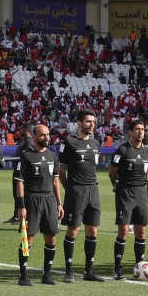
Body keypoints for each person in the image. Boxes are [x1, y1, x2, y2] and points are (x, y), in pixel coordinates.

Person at [15, 123, 63, 286]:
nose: (46, 138)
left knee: (51, 237)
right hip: (32, 199)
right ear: (34, 137)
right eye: (42, 135)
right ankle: (23, 276)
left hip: (49, 200)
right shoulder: (26, 156)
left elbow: (56, 181)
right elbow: (20, 183)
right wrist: (21, 206)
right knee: (29, 237)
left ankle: (46, 275)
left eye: (48, 135)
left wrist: (59, 203)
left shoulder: (52, 155)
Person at [59, 110, 104, 282]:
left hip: (93, 190)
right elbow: (61, 170)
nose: (92, 124)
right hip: (76, 191)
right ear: (79, 123)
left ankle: (89, 271)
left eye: (93, 121)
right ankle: (69, 272)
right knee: (73, 230)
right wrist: (69, 188)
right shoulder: (69, 142)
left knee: (92, 230)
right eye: (88, 121)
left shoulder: (95, 143)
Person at [109, 120, 148, 280]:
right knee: (124, 231)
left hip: (141, 193)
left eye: (142, 129)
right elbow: (112, 173)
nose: (141, 132)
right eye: (137, 129)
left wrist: (147, 190)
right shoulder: (122, 150)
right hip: (125, 193)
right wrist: (118, 186)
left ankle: (139, 266)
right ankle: (117, 268)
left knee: (141, 231)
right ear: (130, 132)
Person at [5, 124, 34, 224]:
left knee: (21, 194)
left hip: (22, 173)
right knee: (16, 194)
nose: (18, 130)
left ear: (26, 129)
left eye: (20, 128)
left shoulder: (29, 142)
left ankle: (22, 216)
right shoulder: (24, 141)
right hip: (17, 172)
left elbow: (26, 157)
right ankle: (16, 215)